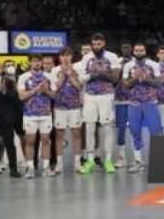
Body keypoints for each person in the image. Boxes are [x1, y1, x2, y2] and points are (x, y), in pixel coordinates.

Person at [75, 33, 122, 175]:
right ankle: (90, 161)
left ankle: (108, 160)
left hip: (106, 95)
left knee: (107, 127)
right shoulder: (86, 58)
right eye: (94, 44)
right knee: (89, 127)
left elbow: (115, 78)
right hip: (89, 96)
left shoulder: (112, 57)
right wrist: (92, 75)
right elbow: (81, 79)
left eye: (99, 44)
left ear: (104, 43)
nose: (96, 47)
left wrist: (100, 72)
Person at [122, 42, 162, 172]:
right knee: (135, 132)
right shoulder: (128, 66)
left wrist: (145, 79)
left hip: (150, 102)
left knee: (155, 132)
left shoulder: (153, 64)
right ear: (133, 52)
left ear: (145, 51)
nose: (139, 52)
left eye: (141, 50)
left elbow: (157, 83)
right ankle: (138, 161)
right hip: (134, 103)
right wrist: (135, 78)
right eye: (137, 50)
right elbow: (125, 85)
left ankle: (158, 161)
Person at [18, 54, 56, 178]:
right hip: (30, 114)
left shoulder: (49, 76)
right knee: (30, 141)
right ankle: (30, 168)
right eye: (34, 61)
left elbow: (55, 96)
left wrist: (45, 91)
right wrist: (36, 89)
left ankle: (46, 167)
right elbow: (21, 96)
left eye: (39, 61)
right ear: (30, 63)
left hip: (45, 114)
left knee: (46, 140)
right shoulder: (23, 77)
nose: (37, 63)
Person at [51, 47, 84, 174]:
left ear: (71, 57)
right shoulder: (54, 70)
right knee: (59, 135)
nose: (65, 58)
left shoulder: (78, 69)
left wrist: (71, 76)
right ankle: (59, 165)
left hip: (75, 107)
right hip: (60, 107)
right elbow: (55, 88)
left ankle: (77, 163)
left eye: (68, 55)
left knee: (76, 134)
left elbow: (79, 87)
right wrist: (63, 75)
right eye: (63, 55)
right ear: (59, 57)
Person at [114, 43, 133, 168]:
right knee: (120, 129)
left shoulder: (136, 63)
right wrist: (121, 69)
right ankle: (121, 158)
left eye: (128, 48)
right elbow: (114, 79)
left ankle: (137, 158)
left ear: (131, 49)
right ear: (121, 49)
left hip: (134, 100)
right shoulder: (117, 62)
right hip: (119, 100)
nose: (126, 50)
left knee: (134, 130)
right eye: (123, 48)